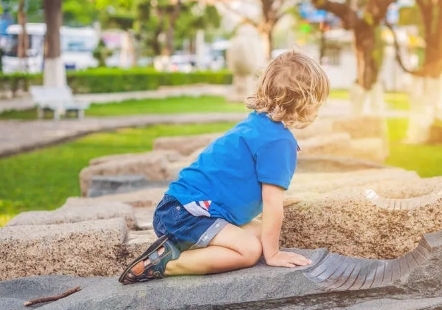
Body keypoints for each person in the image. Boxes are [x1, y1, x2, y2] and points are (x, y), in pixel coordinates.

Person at [119, 51, 330, 285]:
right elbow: (272, 204)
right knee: (249, 250)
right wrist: (273, 254)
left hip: (178, 210)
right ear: (305, 101)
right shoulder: (279, 141)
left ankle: (178, 248)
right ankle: (165, 264)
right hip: (188, 215)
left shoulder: (258, 123)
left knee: (263, 233)